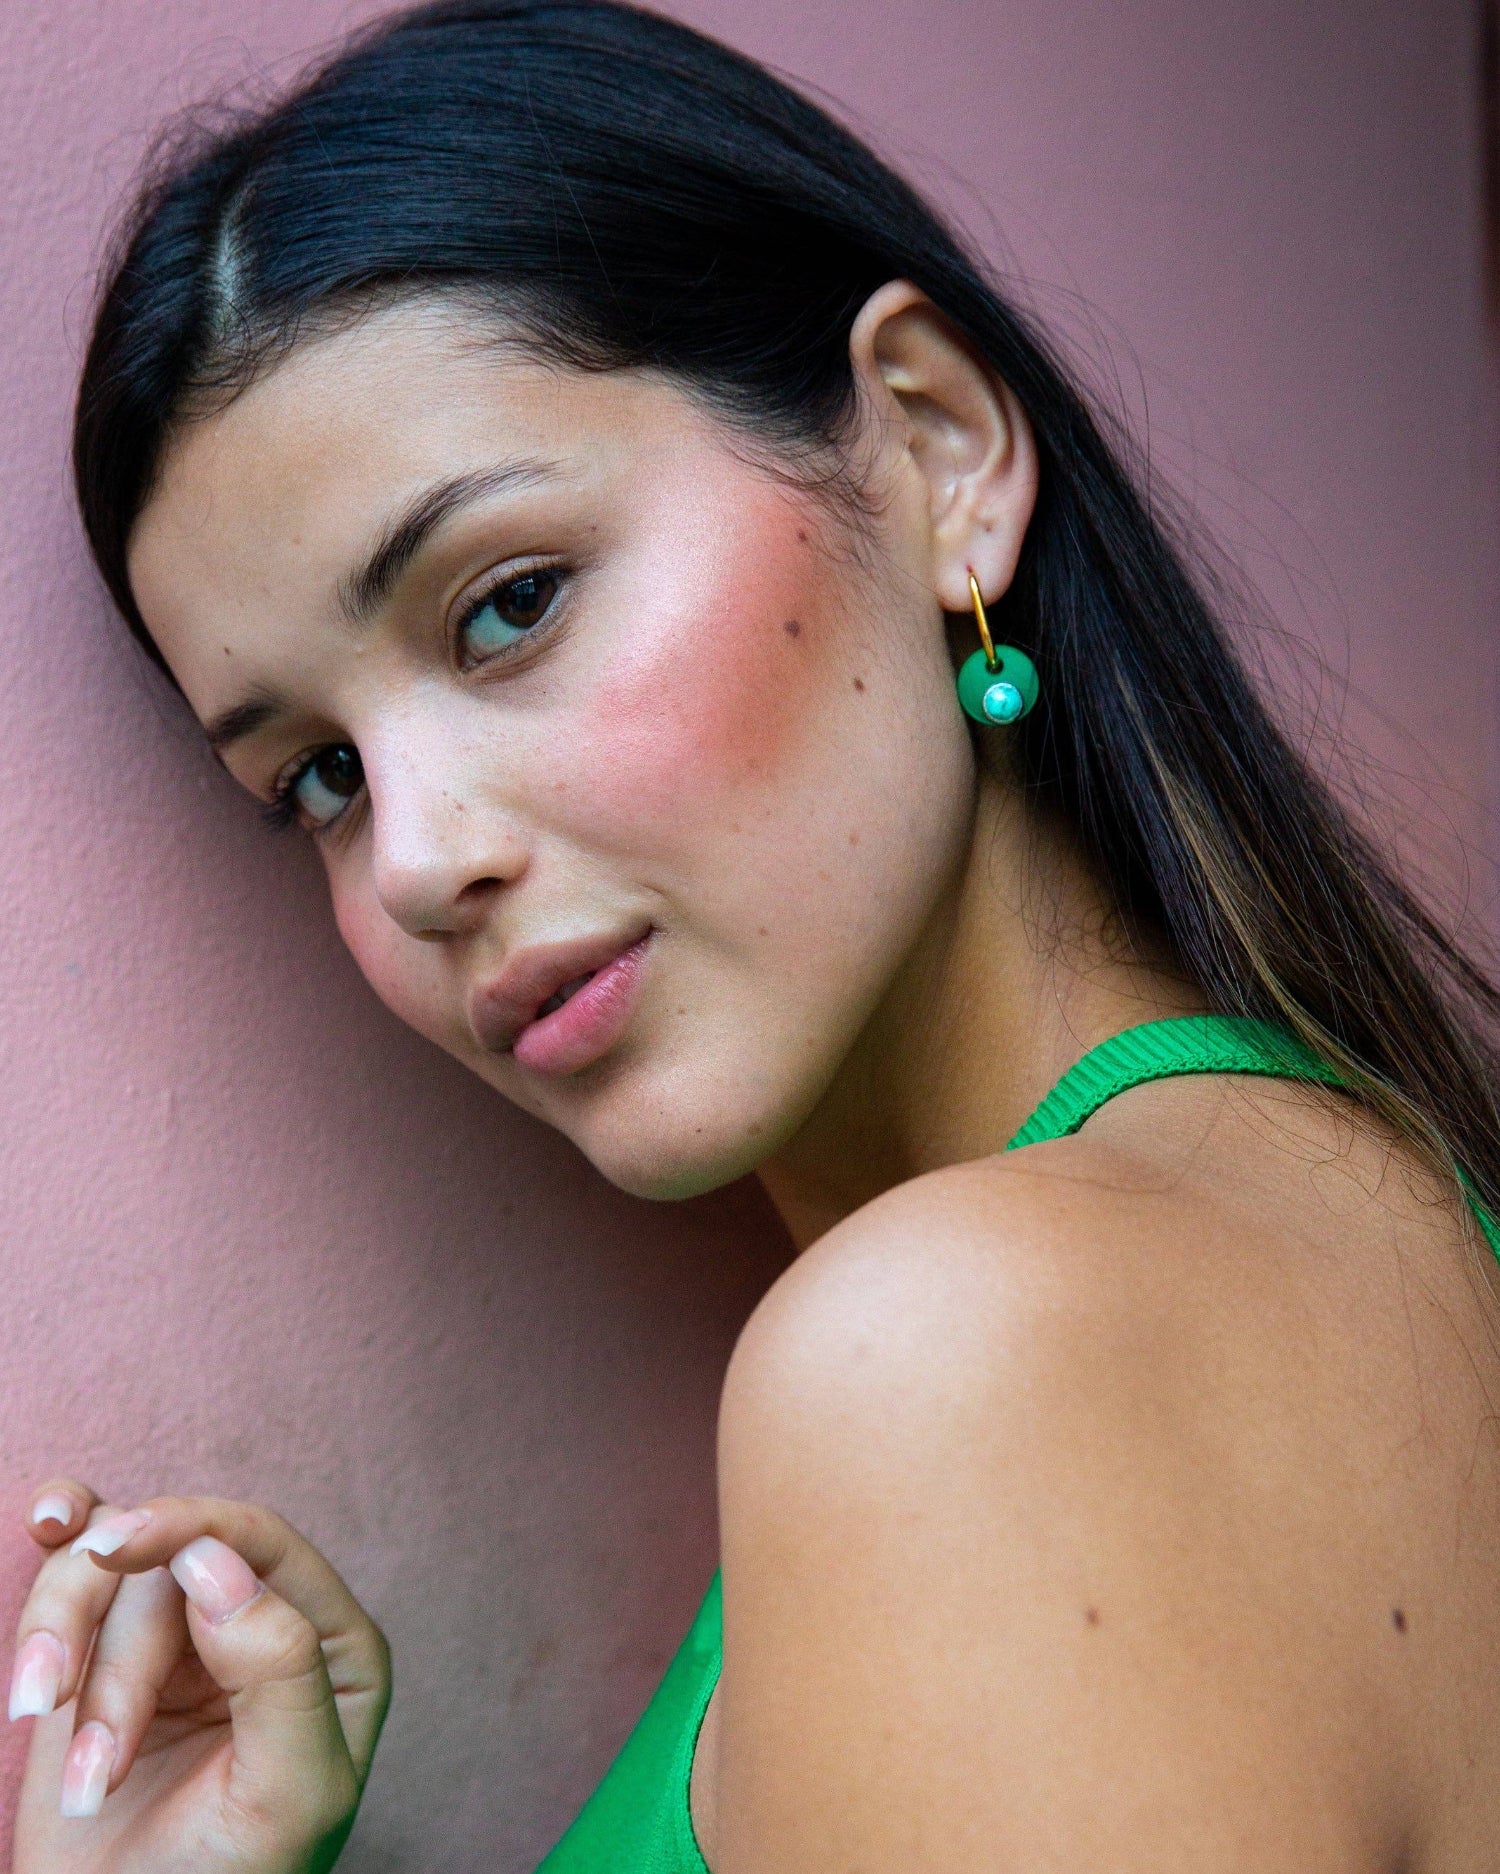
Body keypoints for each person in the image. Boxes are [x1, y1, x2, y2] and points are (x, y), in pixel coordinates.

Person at [9, 0, 1500, 1867]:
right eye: (317, 776)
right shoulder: (1353, 1210)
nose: (414, 861)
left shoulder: (963, 1367)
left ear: (936, 448)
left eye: (508, 604)